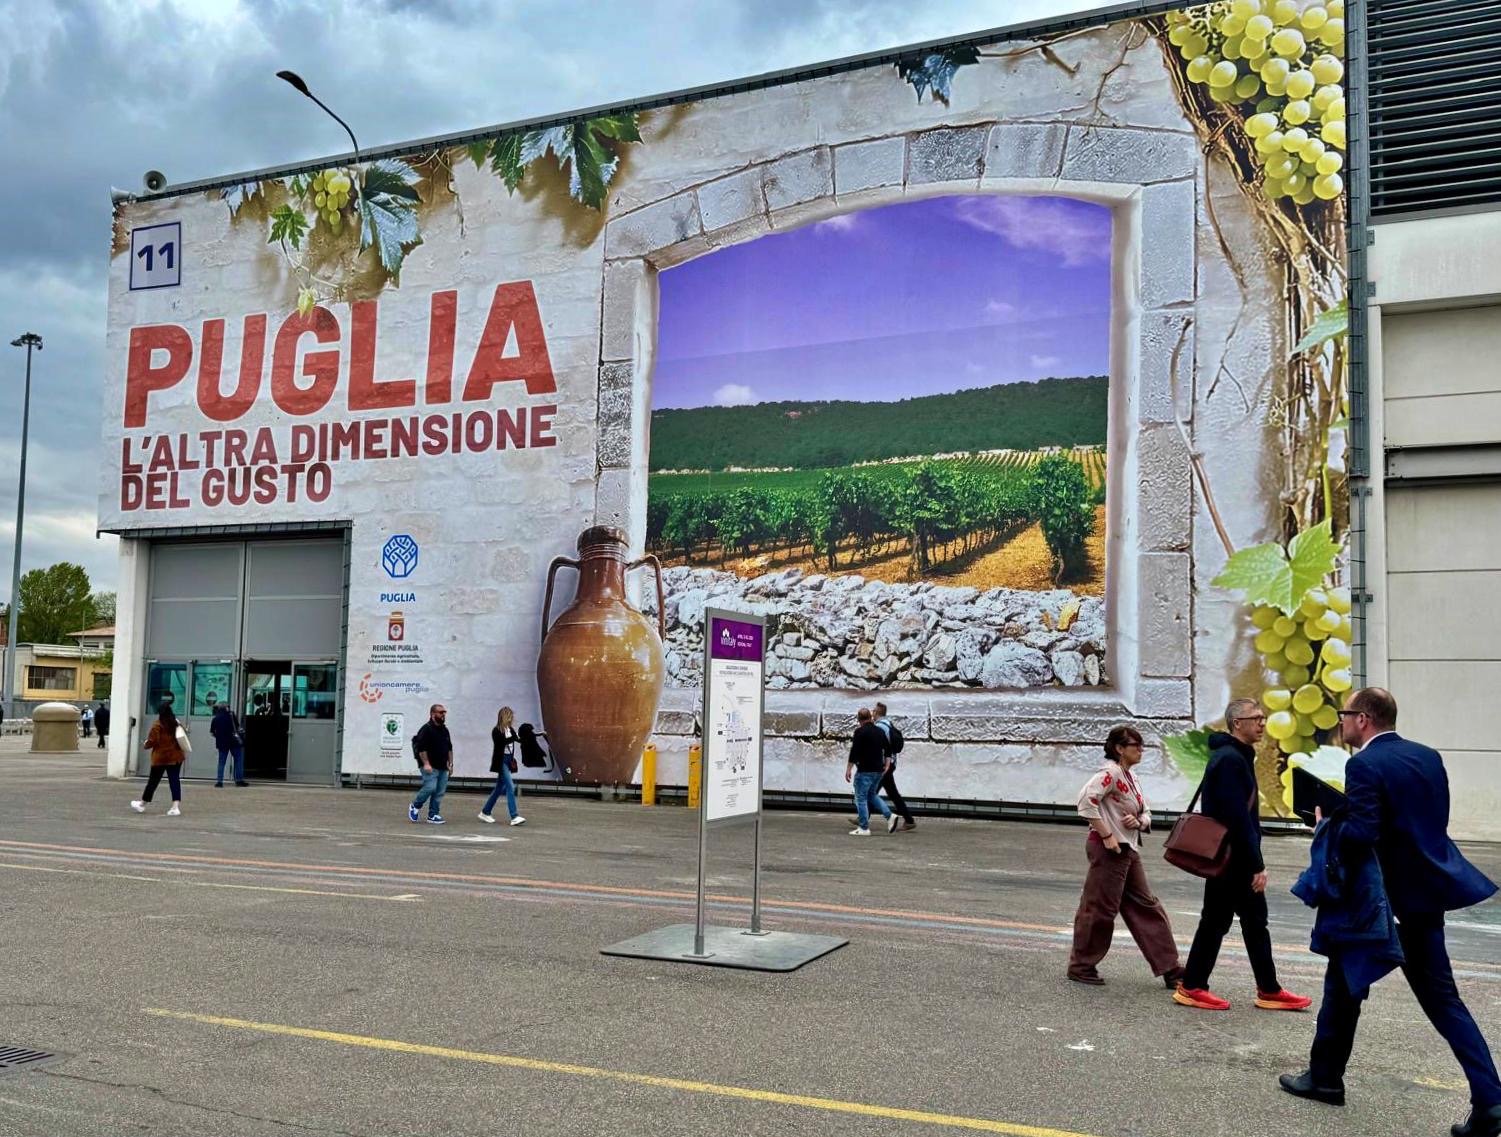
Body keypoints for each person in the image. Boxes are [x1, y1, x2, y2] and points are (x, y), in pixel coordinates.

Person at [1280, 688, 1501, 1135]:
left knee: (1345, 986)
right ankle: (1491, 1100)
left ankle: (1325, 1079)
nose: (1340, 722)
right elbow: (1428, 825)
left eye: (1344, 714)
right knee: (1443, 1001)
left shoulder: (1363, 765)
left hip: (1376, 903)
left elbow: (1363, 833)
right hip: (1425, 899)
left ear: (1363, 718)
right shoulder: (1428, 757)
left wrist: (1326, 825)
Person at [1173, 697, 1311, 1012]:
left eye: (1264, 717)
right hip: (1232, 860)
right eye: (1256, 718)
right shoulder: (1230, 760)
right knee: (1221, 922)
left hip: (1232, 857)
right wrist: (1256, 865)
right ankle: (1194, 986)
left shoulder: (1235, 756)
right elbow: (1237, 817)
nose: (1262, 723)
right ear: (1237, 723)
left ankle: (1266, 989)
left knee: (1249, 922)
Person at [1067, 725, 1183, 988]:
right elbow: (1085, 802)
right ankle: (1081, 965)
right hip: (1111, 849)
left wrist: (1139, 821)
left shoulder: (1130, 777)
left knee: (1146, 906)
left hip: (1127, 849)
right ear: (1119, 748)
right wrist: (1107, 835)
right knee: (1100, 908)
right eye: (1135, 745)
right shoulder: (1110, 773)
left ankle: (1171, 969)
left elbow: (1146, 812)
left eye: (1141, 745)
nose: (1141, 750)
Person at [131, 703, 186, 816]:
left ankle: (142, 804)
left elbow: (153, 740)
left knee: (153, 782)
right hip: (175, 757)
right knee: (174, 781)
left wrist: (146, 744)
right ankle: (175, 807)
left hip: (161, 758)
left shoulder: (158, 725)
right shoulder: (176, 723)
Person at [845, 708, 892, 836]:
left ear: (859, 719)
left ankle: (864, 827)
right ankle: (890, 816)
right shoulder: (879, 731)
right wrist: (887, 764)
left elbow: (854, 752)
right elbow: (888, 749)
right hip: (878, 770)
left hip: (864, 770)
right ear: (870, 718)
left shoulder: (860, 732)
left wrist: (849, 769)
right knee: (871, 795)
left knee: (861, 798)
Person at [873, 702, 915, 832]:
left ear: (876, 713)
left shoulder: (879, 727)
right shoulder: (888, 724)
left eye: (873, 711)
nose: (872, 713)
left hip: (884, 764)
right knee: (893, 794)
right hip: (891, 763)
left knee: (871, 792)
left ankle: (863, 818)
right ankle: (909, 820)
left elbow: (880, 747)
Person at [480, 706, 525, 826]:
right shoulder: (496, 731)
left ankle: (485, 812)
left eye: (511, 716)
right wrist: (514, 737)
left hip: (509, 760)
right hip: (501, 761)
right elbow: (501, 743)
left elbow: (518, 739)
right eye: (509, 716)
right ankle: (514, 816)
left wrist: (529, 736)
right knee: (510, 786)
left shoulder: (510, 729)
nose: (511, 719)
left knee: (499, 788)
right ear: (503, 717)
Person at [409, 703, 453, 825]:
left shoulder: (445, 730)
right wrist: (426, 763)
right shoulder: (426, 729)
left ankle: (433, 815)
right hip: (429, 766)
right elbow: (421, 749)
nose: (443, 715)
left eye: (444, 713)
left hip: (443, 765)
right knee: (430, 787)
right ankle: (415, 805)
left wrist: (450, 763)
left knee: (440, 791)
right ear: (433, 714)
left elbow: (449, 748)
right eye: (441, 712)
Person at [211, 701, 248, 788]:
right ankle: (239, 780)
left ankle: (219, 782)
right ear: (226, 707)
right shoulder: (231, 715)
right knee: (238, 760)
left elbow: (212, 732)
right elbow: (237, 727)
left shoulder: (216, 718)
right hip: (233, 742)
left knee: (221, 762)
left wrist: (219, 736)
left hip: (222, 743)